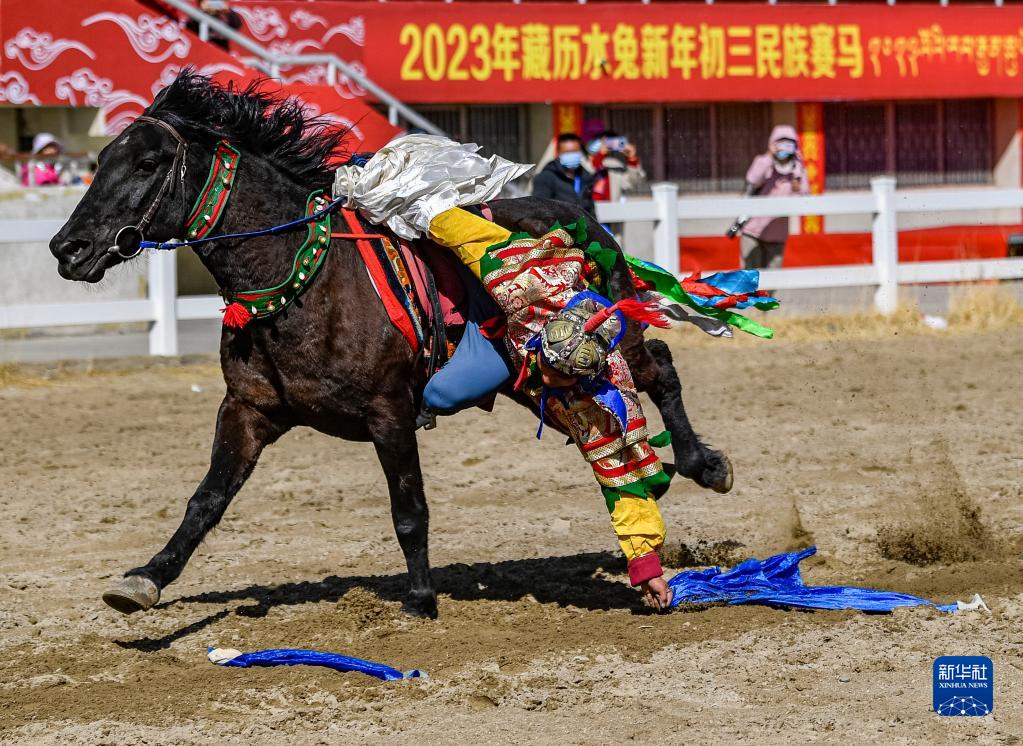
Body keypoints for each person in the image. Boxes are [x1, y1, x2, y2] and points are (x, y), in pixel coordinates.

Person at [336, 136, 676, 608]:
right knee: (440, 389)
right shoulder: (514, 276)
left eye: (558, 379)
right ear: (542, 344)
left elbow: (621, 475)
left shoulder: (605, 399)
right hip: (493, 318)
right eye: (550, 371)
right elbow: (447, 221)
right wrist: (376, 183)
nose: (549, 383)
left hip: (518, 341)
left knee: (441, 397)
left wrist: (645, 565)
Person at [727, 124, 809, 269]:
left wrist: (797, 171)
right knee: (750, 276)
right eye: (780, 144)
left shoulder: (797, 170)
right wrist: (770, 157)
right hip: (753, 231)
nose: (784, 149)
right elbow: (752, 180)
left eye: (789, 145)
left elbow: (804, 196)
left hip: (777, 235)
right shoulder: (763, 162)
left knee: (773, 277)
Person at [531, 132, 596, 215]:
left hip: (583, 222)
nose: (571, 155)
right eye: (567, 152)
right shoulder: (545, 178)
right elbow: (540, 209)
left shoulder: (586, 177)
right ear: (558, 153)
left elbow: (591, 209)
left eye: (575, 151)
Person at [588, 131, 646, 203]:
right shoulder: (582, 161)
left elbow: (631, 183)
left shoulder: (616, 166)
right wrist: (600, 155)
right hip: (586, 208)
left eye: (610, 143)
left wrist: (632, 159)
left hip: (610, 207)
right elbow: (591, 170)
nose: (605, 145)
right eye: (601, 142)